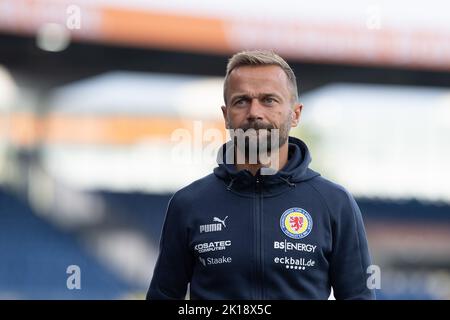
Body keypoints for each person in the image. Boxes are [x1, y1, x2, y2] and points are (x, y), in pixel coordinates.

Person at [147, 50, 375, 300]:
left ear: (295, 114)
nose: (254, 112)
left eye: (269, 100)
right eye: (241, 101)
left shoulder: (335, 204)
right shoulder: (188, 204)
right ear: (226, 116)